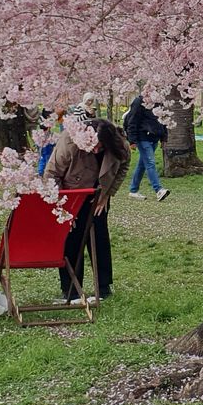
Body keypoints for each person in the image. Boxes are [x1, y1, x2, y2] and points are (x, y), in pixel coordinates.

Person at [44, 110, 130, 303]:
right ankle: (71, 289)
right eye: (94, 145)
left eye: (101, 147)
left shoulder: (118, 143)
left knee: (100, 238)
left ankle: (103, 286)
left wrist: (107, 194)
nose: (97, 150)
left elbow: (124, 166)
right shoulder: (70, 141)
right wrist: (62, 207)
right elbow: (51, 175)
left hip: (98, 197)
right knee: (72, 240)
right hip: (71, 195)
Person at [122, 92, 170, 201]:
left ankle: (133, 190)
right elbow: (132, 121)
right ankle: (158, 190)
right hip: (143, 137)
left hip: (154, 137)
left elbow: (164, 120)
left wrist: (164, 137)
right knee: (150, 162)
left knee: (142, 164)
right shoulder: (139, 102)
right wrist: (132, 141)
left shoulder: (159, 101)